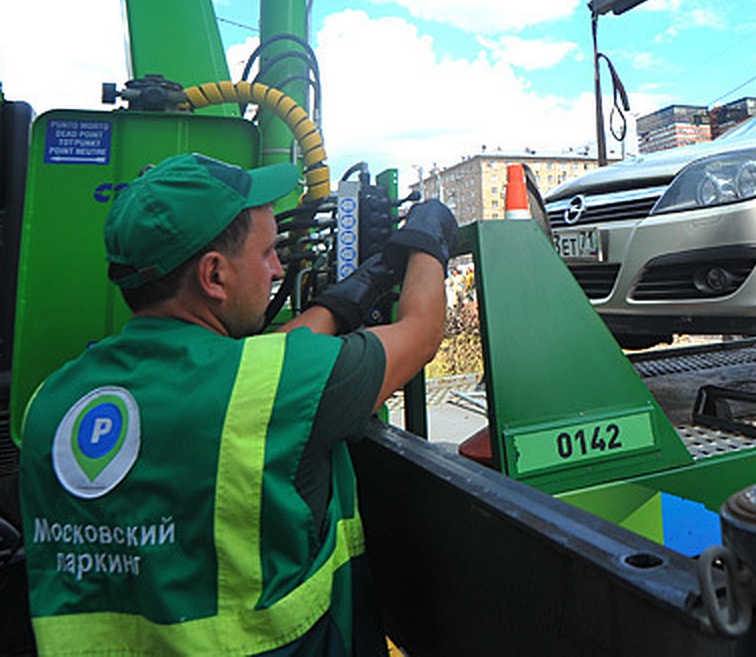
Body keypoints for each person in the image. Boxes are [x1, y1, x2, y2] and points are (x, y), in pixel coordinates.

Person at [18, 152, 458, 655]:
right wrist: (429, 240)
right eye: (268, 252)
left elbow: (264, 362)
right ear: (214, 276)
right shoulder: (277, 387)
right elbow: (420, 332)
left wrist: (345, 299)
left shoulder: (52, 403)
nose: (276, 269)